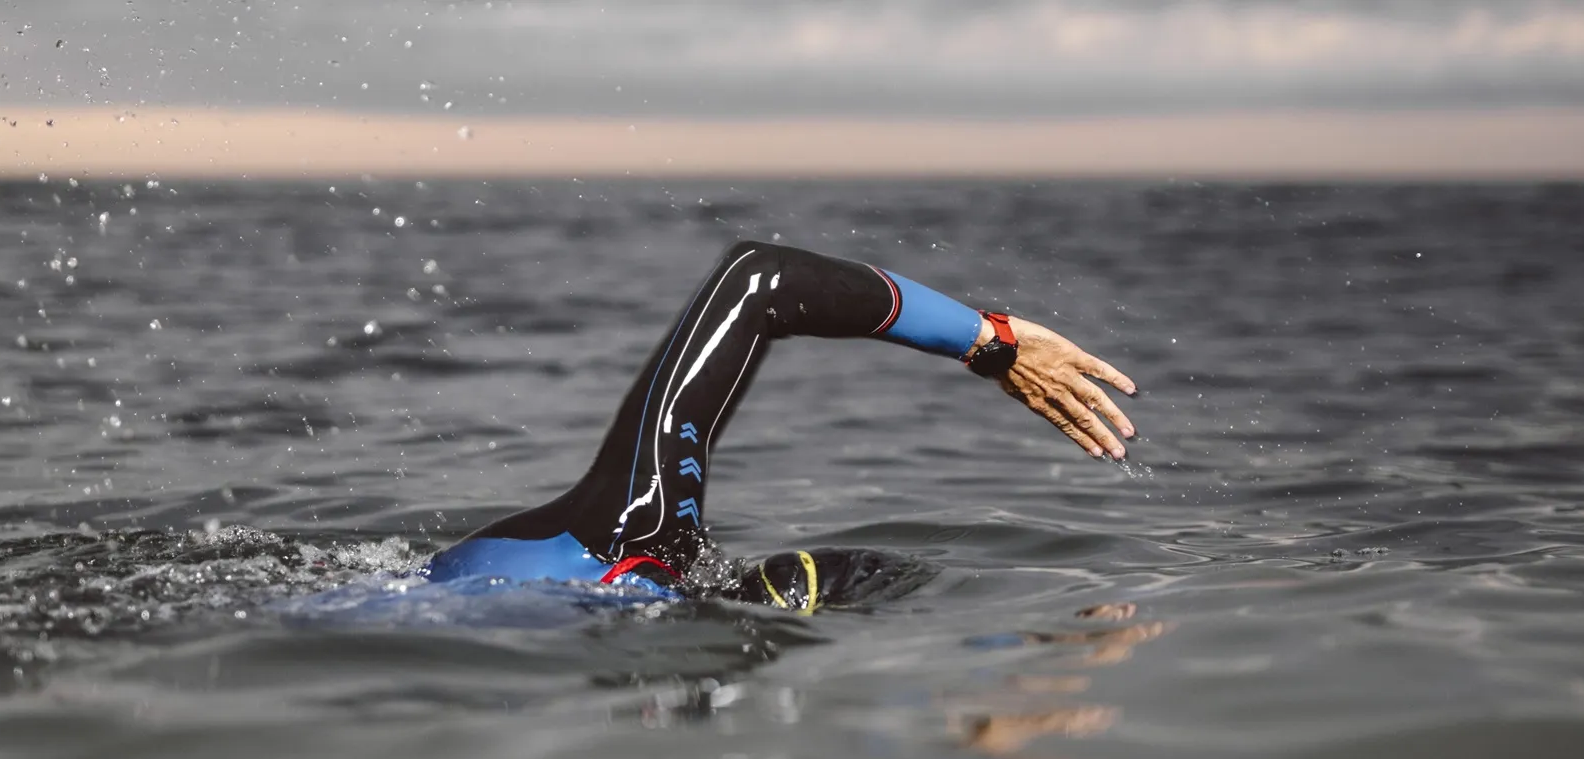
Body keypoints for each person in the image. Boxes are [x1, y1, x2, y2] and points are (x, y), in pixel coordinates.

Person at [422, 241, 1138, 611]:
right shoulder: (644, 542)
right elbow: (757, 274)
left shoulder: (640, 531)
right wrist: (996, 345)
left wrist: (988, 340)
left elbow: (765, 282)